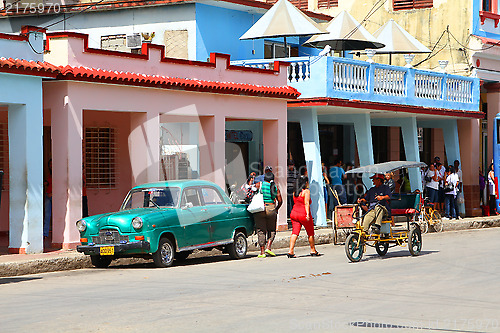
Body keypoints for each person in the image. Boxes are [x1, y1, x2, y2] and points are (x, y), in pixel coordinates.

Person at [287, 176, 321, 258]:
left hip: (294, 214)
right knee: (310, 232)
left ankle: (291, 250)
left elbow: (295, 202)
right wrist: (308, 214)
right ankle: (313, 249)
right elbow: (306, 203)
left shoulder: (295, 192)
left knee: (295, 232)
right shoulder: (306, 192)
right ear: (305, 183)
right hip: (303, 214)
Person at [254, 170, 282, 258]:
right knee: (272, 229)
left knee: (261, 230)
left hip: (260, 209)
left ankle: (262, 252)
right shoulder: (275, 187)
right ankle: (268, 248)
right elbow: (280, 201)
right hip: (271, 208)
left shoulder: (259, 185)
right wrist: (276, 208)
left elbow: (250, 193)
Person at [43, 159, 53, 247]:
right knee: (47, 215)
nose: (51, 166)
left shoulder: (58, 173)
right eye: (49, 164)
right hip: (48, 195)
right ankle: (45, 233)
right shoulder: (50, 174)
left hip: (53, 196)